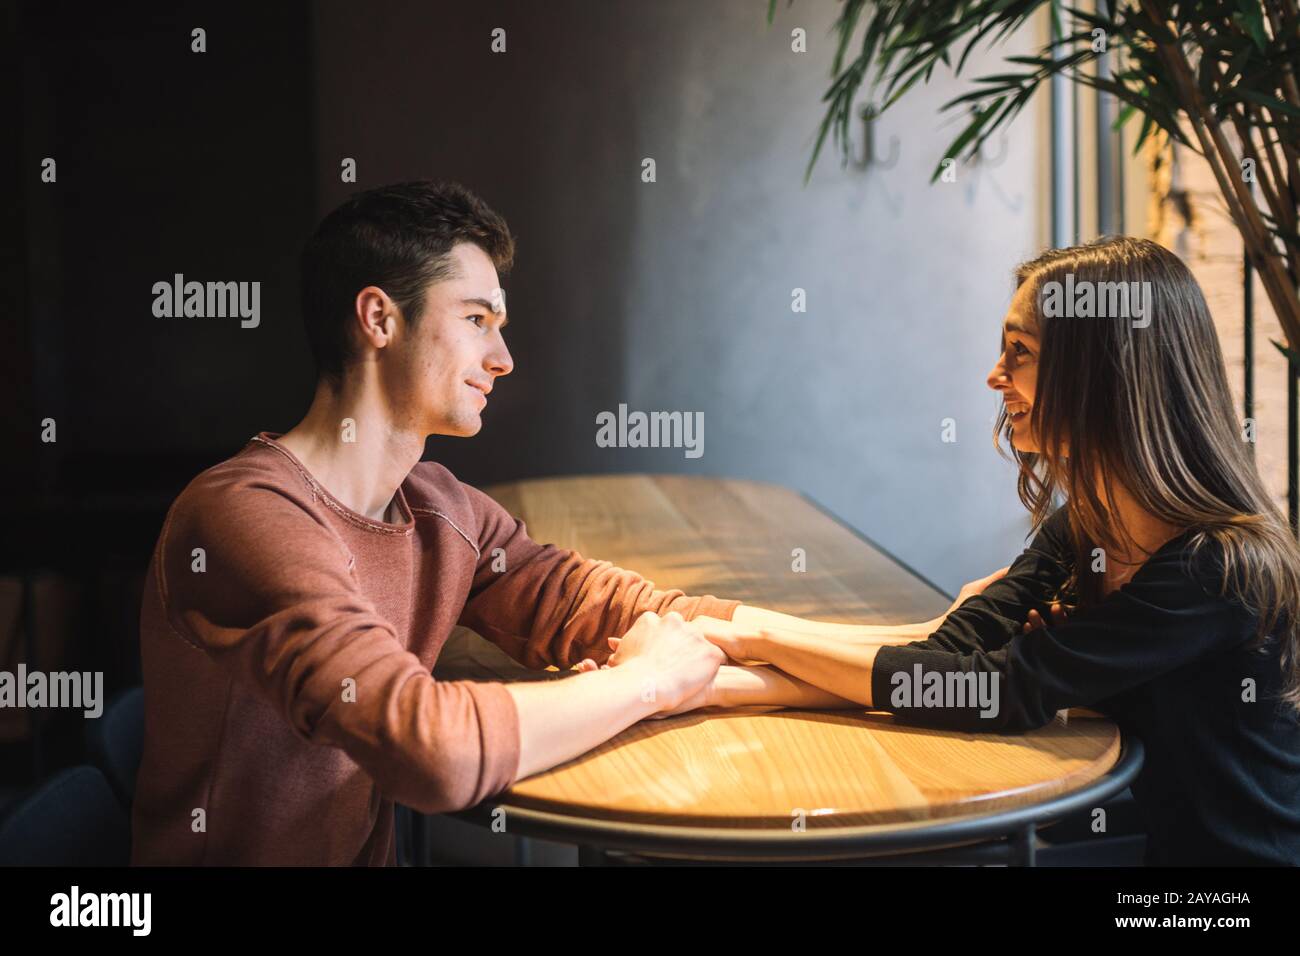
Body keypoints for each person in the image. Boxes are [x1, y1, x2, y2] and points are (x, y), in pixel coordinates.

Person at [131, 180, 970, 866]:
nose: (504, 358)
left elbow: (647, 619)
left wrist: (918, 648)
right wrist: (643, 681)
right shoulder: (241, 516)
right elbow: (433, 750)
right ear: (379, 319)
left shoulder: (440, 508)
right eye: (476, 320)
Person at [676, 236, 1300, 865]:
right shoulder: (1084, 529)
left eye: (1019, 352)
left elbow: (995, 689)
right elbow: (942, 660)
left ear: (1102, 372)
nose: (994, 375)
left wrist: (755, 638)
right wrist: (720, 678)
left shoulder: (1219, 568)